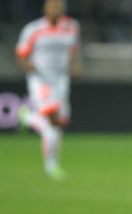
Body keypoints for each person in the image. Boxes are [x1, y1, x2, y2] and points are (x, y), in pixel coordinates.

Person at [15, 0, 80, 180]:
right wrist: (26, 66)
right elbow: (21, 53)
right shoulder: (33, 29)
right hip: (40, 79)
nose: (57, 9)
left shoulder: (71, 27)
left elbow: (73, 49)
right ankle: (51, 167)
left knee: (59, 124)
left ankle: (27, 117)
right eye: (53, 6)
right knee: (52, 120)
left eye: (60, 6)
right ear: (46, 8)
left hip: (60, 80)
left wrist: (74, 65)